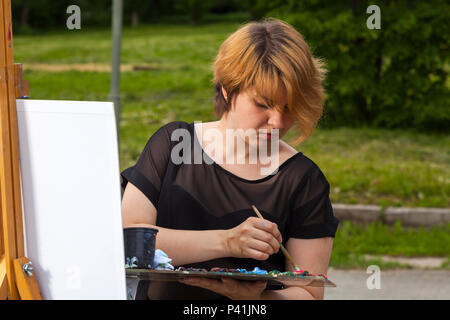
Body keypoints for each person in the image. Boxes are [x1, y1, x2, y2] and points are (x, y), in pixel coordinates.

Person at [120, 18, 339, 300]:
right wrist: (227, 242)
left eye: (289, 107)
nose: (277, 121)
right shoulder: (174, 144)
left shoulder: (303, 180)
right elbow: (128, 242)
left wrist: (255, 299)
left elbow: (309, 294)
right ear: (227, 88)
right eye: (263, 104)